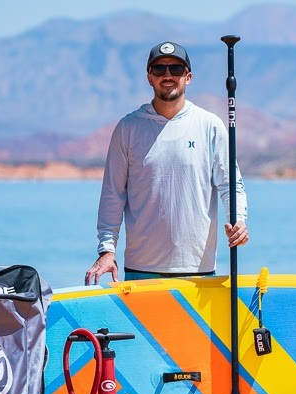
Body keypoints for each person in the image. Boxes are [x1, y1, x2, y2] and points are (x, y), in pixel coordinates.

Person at [85, 41, 249, 285]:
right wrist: (107, 250)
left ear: (188, 77)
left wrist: (238, 220)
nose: (168, 75)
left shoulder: (209, 126)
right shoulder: (128, 128)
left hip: (198, 273)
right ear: (149, 78)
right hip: (141, 272)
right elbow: (113, 193)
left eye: (176, 69)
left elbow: (230, 185)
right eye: (160, 70)